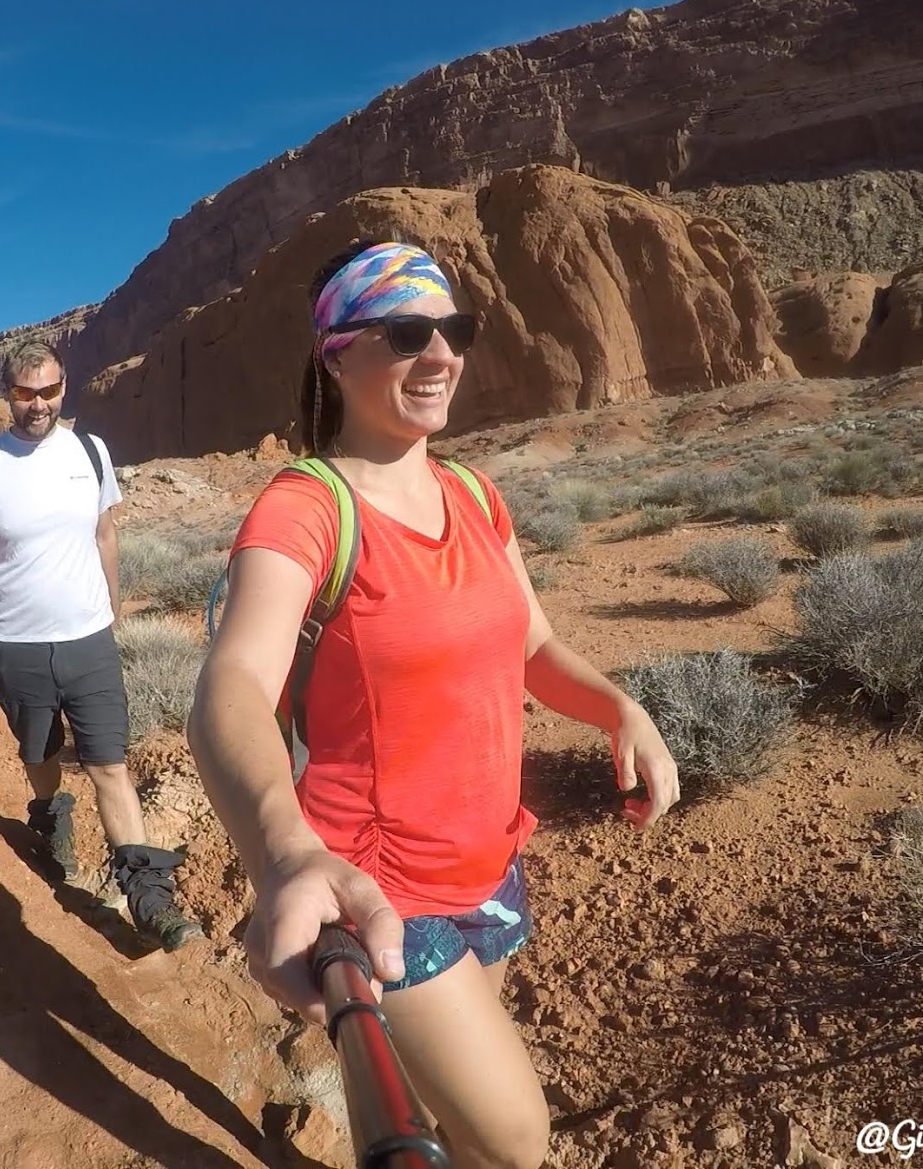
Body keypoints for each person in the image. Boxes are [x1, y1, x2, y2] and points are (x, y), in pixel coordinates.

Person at [186, 239, 682, 1168]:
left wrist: (620, 708)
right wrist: (285, 852)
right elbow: (233, 685)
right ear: (338, 353)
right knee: (514, 1141)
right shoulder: (307, 508)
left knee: (451, 1093)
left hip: (490, 866)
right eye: (408, 332)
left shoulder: (475, 494)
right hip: (378, 888)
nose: (442, 355)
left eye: (453, 330)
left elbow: (532, 643)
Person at [0, 338, 201, 953]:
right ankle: (50, 819)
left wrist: (111, 610)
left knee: (109, 765)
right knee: (39, 754)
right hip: (16, 646)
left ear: (63, 388)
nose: (38, 404)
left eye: (49, 390)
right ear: (9, 394)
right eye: (26, 393)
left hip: (88, 642)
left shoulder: (92, 454)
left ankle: (150, 900)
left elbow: (105, 535)